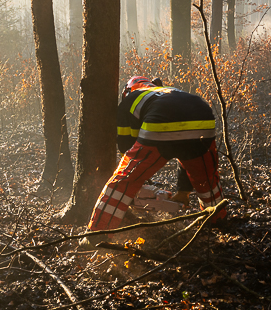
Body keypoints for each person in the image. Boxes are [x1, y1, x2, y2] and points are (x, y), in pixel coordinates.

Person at [87, 76, 226, 232]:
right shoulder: (170, 91)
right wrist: (184, 190)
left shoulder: (130, 100)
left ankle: (98, 232)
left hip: (161, 120)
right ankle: (218, 221)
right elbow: (185, 150)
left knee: (124, 180)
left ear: (127, 90)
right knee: (206, 177)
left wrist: (138, 180)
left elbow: (127, 147)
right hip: (203, 115)